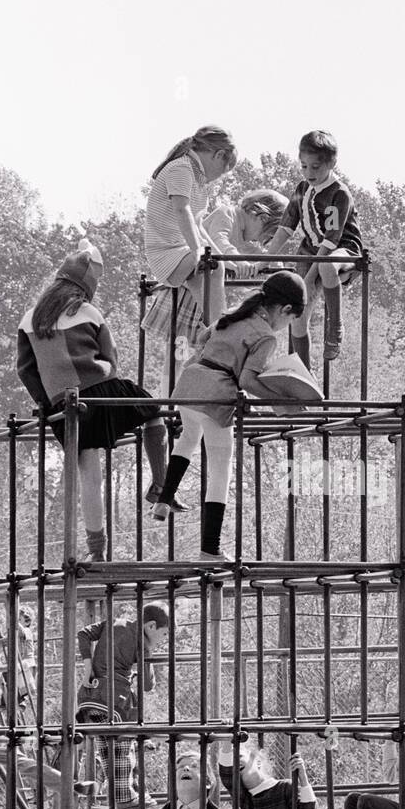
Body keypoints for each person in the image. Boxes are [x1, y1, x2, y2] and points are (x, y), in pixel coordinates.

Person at [17, 239, 171, 562]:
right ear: (85, 287)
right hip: (102, 392)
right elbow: (110, 358)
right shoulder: (86, 310)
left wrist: (50, 404)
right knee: (154, 409)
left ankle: (96, 551)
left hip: (67, 407)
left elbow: (26, 371)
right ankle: (160, 485)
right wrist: (101, 377)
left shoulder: (29, 319)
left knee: (90, 474)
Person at [151, 271, 307, 562]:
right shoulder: (266, 336)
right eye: (291, 320)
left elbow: (202, 338)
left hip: (188, 385)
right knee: (221, 471)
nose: (287, 327)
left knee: (187, 438)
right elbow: (247, 381)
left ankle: (163, 499)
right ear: (285, 310)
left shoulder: (233, 314)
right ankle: (209, 549)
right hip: (215, 395)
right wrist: (280, 401)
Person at [142, 126, 239, 386]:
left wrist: (220, 256)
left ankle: (216, 334)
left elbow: (197, 224)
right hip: (167, 252)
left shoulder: (198, 179)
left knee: (214, 268)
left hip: (182, 249)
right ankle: (221, 334)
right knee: (212, 269)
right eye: (223, 171)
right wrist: (198, 251)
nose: (219, 178)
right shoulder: (182, 169)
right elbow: (182, 210)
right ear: (218, 155)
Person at [266, 130, 364, 368]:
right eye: (304, 167)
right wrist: (266, 258)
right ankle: (303, 371)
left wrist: (308, 279)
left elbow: (332, 240)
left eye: (316, 167)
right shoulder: (301, 190)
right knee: (297, 318)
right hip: (310, 252)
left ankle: (335, 326)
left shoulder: (339, 193)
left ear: (331, 164)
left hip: (342, 249)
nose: (309, 173)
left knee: (328, 265)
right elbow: (287, 226)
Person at [76, 605, 168, 808]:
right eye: (163, 634)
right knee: (124, 746)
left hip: (88, 699)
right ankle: (123, 795)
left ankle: (119, 792)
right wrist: (149, 653)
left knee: (107, 747)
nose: (163, 639)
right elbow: (148, 685)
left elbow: (83, 634)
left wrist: (88, 666)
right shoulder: (141, 644)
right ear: (151, 626)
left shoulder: (115, 622)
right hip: (114, 703)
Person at [202, 189, 289, 280]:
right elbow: (218, 241)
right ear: (262, 218)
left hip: (204, 282)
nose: (262, 241)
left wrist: (277, 266)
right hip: (189, 271)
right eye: (269, 235)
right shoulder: (226, 213)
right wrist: (239, 261)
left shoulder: (244, 238)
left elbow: (258, 254)